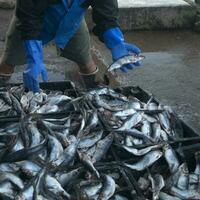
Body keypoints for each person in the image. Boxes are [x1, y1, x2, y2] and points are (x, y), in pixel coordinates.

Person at [0, 0, 141, 92]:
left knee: (86, 62)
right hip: (32, 22)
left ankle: (94, 94)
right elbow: (28, 15)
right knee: (8, 62)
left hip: (72, 21)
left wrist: (116, 42)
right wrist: (34, 58)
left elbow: (105, 10)